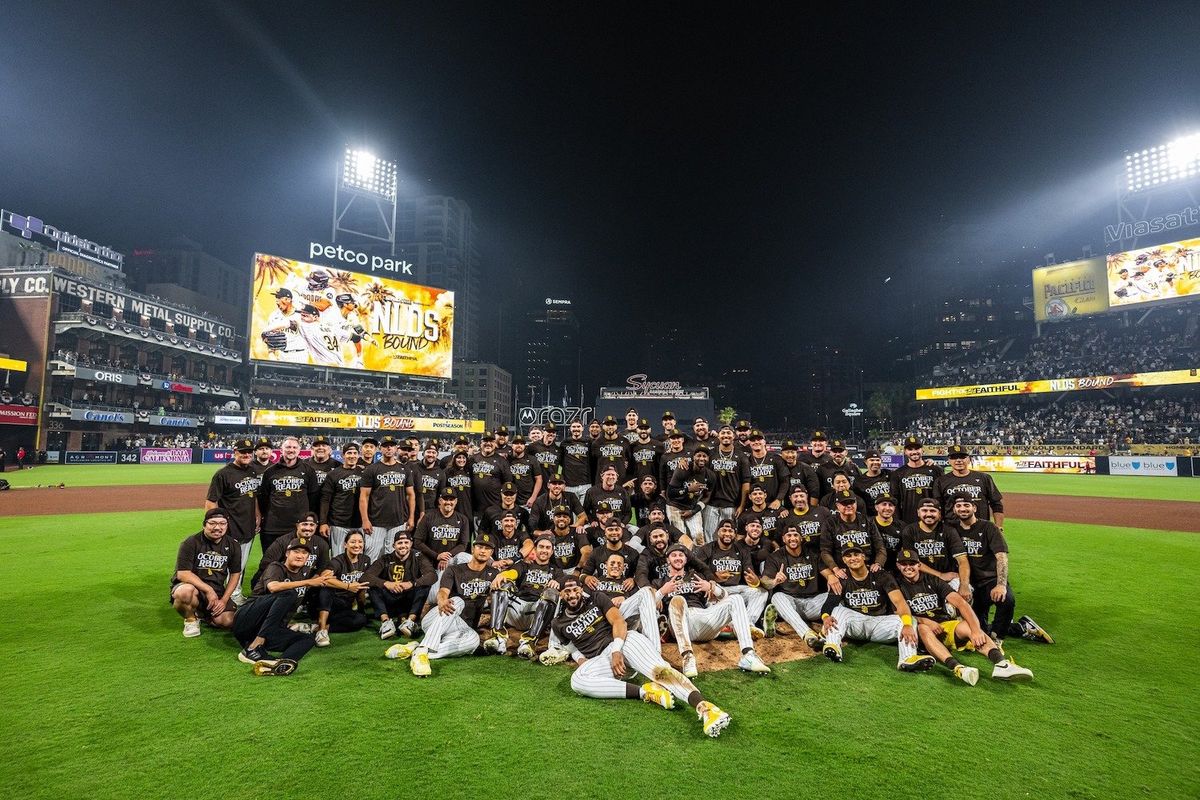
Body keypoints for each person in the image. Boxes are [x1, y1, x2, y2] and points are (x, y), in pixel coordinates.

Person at [551, 575, 732, 738]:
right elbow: (572, 648)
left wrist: (616, 650)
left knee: (659, 671)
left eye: (575, 589)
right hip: (603, 659)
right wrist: (583, 662)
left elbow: (618, 621)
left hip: (623, 642)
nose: (572, 594)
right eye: (567, 591)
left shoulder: (597, 598)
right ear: (560, 594)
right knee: (578, 681)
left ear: (581, 589)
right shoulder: (558, 623)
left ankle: (706, 708)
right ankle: (646, 691)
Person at [895, 548, 1033, 683]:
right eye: (904, 564)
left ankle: (1002, 664)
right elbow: (896, 612)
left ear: (919, 565)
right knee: (923, 628)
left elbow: (961, 603)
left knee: (969, 626)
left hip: (945, 625)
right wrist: (924, 620)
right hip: (919, 632)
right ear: (898, 565)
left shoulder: (933, 580)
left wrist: (976, 630)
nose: (908, 567)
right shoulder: (895, 586)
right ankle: (957, 668)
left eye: (912, 564)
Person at [384, 536, 500, 677]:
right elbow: (443, 592)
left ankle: (419, 651)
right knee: (457, 601)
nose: (483, 551)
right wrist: (442, 600)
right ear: (473, 548)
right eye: (480, 547)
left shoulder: (494, 574)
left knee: (474, 640)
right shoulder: (454, 570)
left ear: (491, 552)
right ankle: (422, 651)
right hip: (437, 618)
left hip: (460, 628)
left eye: (487, 548)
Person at [947, 493, 1053, 645]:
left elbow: (1001, 557)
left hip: (990, 580)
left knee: (1006, 600)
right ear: (954, 510)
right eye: (958, 506)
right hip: (969, 583)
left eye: (966, 505)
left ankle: (998, 639)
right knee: (978, 631)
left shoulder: (989, 527)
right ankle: (1021, 627)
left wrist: (1001, 585)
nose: (963, 509)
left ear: (974, 508)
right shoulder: (952, 530)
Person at [656, 543, 770, 677]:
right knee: (677, 600)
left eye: (681, 555)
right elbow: (647, 606)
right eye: (673, 555)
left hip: (703, 617)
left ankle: (748, 655)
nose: (678, 558)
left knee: (736, 599)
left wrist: (711, 587)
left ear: (686, 560)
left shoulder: (696, 576)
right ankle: (688, 657)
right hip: (680, 623)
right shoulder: (659, 582)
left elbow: (724, 596)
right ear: (667, 560)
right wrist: (662, 591)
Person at [818, 543, 935, 671]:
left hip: (880, 623)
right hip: (856, 623)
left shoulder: (881, 575)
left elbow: (900, 602)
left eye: (856, 554)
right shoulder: (842, 578)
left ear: (863, 556)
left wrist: (906, 624)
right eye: (848, 556)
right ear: (844, 560)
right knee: (837, 610)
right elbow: (829, 604)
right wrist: (825, 617)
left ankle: (907, 659)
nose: (853, 558)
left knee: (909, 620)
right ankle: (833, 646)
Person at [233, 541, 325, 675]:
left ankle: (281, 663)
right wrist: (308, 582)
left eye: (304, 553)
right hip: (246, 620)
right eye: (296, 551)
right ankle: (252, 649)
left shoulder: (302, 574)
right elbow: (273, 587)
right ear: (287, 554)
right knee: (289, 593)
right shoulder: (276, 567)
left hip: (268, 628)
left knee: (308, 639)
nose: (300, 555)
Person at [254, 436, 319, 585]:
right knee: (271, 563)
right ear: (281, 450)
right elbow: (264, 497)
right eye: (288, 447)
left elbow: (313, 498)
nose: (291, 450)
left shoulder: (308, 470)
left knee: (298, 563)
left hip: (298, 528)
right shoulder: (271, 471)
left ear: (299, 450)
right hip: (273, 527)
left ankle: (295, 593)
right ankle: (267, 591)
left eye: (294, 448)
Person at [203, 438, 261, 605]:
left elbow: (253, 495)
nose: (246, 455)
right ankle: (219, 596)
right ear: (235, 452)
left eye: (249, 452)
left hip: (247, 527)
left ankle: (234, 594)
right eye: (243, 452)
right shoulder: (223, 474)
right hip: (230, 528)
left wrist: (257, 514)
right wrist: (213, 526)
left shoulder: (252, 471)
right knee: (225, 566)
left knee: (240, 565)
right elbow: (211, 501)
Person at [489, 535, 565, 659]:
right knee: (503, 584)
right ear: (535, 549)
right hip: (516, 609)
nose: (544, 550)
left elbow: (564, 586)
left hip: (537, 613)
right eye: (541, 547)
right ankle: (498, 637)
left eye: (547, 547)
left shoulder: (556, 572)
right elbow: (512, 573)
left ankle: (529, 642)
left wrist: (558, 583)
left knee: (551, 593)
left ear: (552, 551)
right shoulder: (524, 565)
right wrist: (502, 575)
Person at [171, 508, 242, 638]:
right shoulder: (190, 542)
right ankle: (190, 619)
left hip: (218, 590)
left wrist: (224, 600)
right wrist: (209, 590)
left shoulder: (233, 545)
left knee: (228, 622)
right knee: (184, 593)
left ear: (227, 525)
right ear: (204, 524)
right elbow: (183, 574)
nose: (217, 527)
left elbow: (235, 574)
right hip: (193, 588)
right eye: (212, 523)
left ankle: (204, 614)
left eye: (222, 523)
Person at [760, 522, 828, 648]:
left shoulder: (812, 553)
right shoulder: (776, 557)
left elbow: (826, 572)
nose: (792, 538)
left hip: (813, 603)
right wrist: (774, 581)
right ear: (783, 539)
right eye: (789, 535)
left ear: (801, 538)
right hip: (791, 604)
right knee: (777, 597)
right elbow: (764, 581)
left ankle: (828, 635)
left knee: (836, 597)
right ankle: (807, 634)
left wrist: (832, 577)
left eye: (795, 535)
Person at [696, 519, 769, 629]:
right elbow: (697, 571)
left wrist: (755, 581)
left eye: (731, 531)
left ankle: (747, 624)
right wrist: (714, 578)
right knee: (712, 610)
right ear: (717, 532)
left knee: (761, 592)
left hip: (735, 590)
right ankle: (726, 625)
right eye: (724, 530)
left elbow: (748, 573)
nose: (727, 534)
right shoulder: (706, 549)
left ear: (735, 534)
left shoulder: (742, 550)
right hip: (716, 590)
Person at [365, 531, 437, 639]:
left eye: (406, 542)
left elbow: (432, 575)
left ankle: (410, 622)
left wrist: (412, 583)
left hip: (409, 601)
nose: (403, 545)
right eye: (399, 543)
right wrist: (386, 583)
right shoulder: (385, 558)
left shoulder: (418, 556)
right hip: (390, 601)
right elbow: (365, 576)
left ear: (411, 544)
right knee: (373, 586)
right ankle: (386, 623)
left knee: (424, 585)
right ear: (394, 546)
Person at [359, 435, 416, 562]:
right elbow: (364, 496)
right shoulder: (372, 469)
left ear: (396, 448)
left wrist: (411, 517)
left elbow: (410, 495)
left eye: (391, 445)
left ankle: (389, 581)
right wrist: (365, 520)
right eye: (385, 446)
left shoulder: (404, 469)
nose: (388, 448)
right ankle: (371, 582)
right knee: (372, 556)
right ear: (380, 449)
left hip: (398, 521)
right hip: (376, 522)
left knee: (393, 557)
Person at [314, 530, 372, 647]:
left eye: (360, 542)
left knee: (361, 620)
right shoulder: (337, 561)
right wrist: (348, 586)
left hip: (344, 606)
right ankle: (321, 630)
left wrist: (361, 609)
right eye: (353, 542)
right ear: (345, 544)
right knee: (327, 588)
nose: (357, 545)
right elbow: (324, 578)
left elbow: (362, 587)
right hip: (328, 604)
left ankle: (321, 628)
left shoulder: (365, 560)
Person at [901, 498, 970, 594]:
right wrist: (940, 575)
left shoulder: (949, 531)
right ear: (918, 512)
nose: (928, 514)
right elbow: (913, 561)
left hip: (948, 577)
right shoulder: (909, 531)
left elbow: (962, 560)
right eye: (924, 510)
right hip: (921, 579)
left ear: (939, 514)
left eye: (933, 511)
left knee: (964, 591)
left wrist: (964, 585)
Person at [934, 445, 1005, 525]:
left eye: (962, 457)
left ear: (969, 459)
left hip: (980, 528)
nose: (958, 460)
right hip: (952, 531)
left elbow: (996, 504)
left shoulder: (984, 478)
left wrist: (999, 527)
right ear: (949, 461)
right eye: (954, 457)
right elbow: (938, 508)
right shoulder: (941, 481)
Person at [412, 487, 472, 579]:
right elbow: (417, 542)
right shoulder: (428, 517)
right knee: (434, 591)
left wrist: (446, 557)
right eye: (445, 499)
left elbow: (463, 545)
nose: (448, 502)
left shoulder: (463, 519)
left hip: (450, 560)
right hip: (430, 559)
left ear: (456, 501)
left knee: (468, 558)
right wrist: (437, 556)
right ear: (440, 500)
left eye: (451, 499)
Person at [319, 442, 364, 556]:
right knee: (338, 556)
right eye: (349, 453)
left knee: (358, 555)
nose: (352, 456)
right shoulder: (333, 474)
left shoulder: (364, 473)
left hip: (359, 522)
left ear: (358, 455)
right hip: (338, 522)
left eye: (355, 453)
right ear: (343, 455)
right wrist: (323, 522)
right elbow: (325, 499)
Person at [665, 446, 716, 545]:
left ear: (708, 459)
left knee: (699, 537)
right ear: (693, 457)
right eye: (699, 456)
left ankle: (700, 559)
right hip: (675, 506)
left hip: (692, 507)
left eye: (704, 456)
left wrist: (694, 511)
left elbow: (707, 497)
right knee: (681, 539)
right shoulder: (683, 469)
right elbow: (670, 493)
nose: (701, 458)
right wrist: (688, 489)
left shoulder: (710, 476)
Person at [890, 436, 944, 524]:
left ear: (922, 450)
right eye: (910, 449)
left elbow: (941, 496)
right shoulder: (898, 473)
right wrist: (897, 521)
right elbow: (895, 500)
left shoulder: (935, 470)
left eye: (917, 448)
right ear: (905, 451)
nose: (914, 452)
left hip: (932, 518)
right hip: (908, 520)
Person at [744, 429, 790, 508]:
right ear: (749, 443)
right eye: (753, 440)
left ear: (764, 442)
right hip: (754, 506)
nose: (756, 442)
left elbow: (785, 482)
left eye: (759, 439)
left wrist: (779, 499)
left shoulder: (776, 459)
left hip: (773, 504)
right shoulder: (746, 461)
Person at [559, 420, 594, 503]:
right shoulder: (565, 443)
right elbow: (560, 461)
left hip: (585, 484)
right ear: (570, 428)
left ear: (582, 428)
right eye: (574, 427)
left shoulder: (589, 442)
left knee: (583, 514)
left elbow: (593, 460)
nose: (576, 429)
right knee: (570, 514)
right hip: (569, 485)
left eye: (578, 426)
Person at [590, 416, 632, 483]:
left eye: (612, 425)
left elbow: (630, 462)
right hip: (602, 483)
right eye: (607, 425)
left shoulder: (625, 441)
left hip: (621, 482)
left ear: (616, 426)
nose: (610, 427)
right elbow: (593, 466)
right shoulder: (596, 443)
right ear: (603, 426)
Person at [506, 435, 544, 508]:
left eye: (521, 443)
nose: (519, 445)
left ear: (525, 445)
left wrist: (533, 497)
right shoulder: (507, 459)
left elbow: (539, 479)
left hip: (527, 500)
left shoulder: (532, 459)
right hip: (511, 501)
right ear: (512, 445)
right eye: (516, 443)